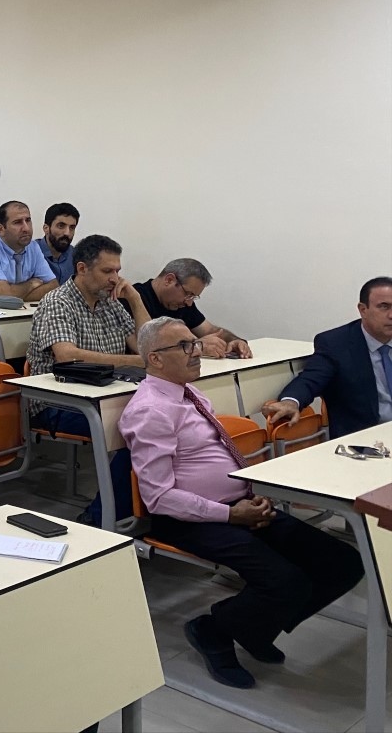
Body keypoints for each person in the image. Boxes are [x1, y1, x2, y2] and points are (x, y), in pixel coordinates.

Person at [120, 318, 364, 689]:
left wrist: (250, 493)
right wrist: (230, 514)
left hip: (239, 506)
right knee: (286, 581)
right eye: (184, 346)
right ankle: (213, 630)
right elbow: (159, 497)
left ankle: (250, 627)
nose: (196, 352)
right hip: (189, 519)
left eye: (194, 343)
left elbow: (217, 457)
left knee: (343, 563)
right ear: (155, 358)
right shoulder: (151, 410)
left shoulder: (190, 394)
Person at [28, 234, 151, 523]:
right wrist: (135, 361)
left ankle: (139, 511)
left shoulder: (110, 303)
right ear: (82, 269)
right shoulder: (57, 302)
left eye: (118, 271)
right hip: (60, 403)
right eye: (107, 271)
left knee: (162, 423)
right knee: (138, 431)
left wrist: (135, 299)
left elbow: (147, 347)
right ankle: (100, 519)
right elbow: (67, 356)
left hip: (107, 395)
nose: (115, 278)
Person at [263, 276, 392, 437]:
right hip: (365, 438)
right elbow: (311, 380)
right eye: (384, 307)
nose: (391, 315)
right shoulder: (336, 344)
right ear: (363, 310)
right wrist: (291, 401)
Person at [133, 258, 252, 359]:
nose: (189, 303)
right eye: (188, 294)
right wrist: (197, 346)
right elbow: (147, 348)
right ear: (169, 280)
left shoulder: (182, 303)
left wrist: (236, 341)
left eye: (193, 297)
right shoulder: (134, 298)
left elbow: (210, 330)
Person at [35, 202, 79, 284]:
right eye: (61, 226)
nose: (67, 233)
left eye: (72, 228)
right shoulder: (31, 253)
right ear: (46, 228)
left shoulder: (75, 255)